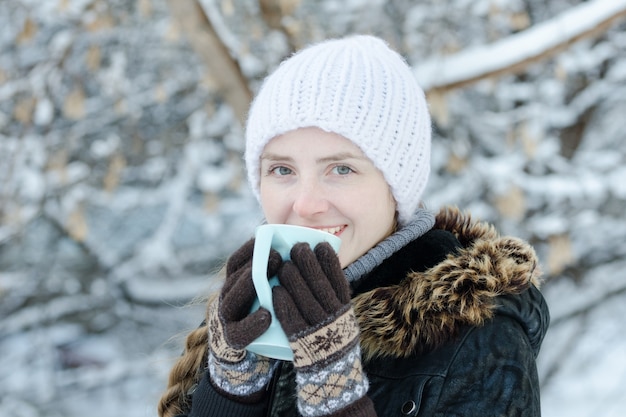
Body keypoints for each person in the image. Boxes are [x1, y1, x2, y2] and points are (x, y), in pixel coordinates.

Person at [158, 35, 550, 417]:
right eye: (282, 169)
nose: (306, 204)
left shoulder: (479, 338)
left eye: (341, 168)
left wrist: (338, 401)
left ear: (395, 186)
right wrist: (231, 396)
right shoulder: (248, 309)